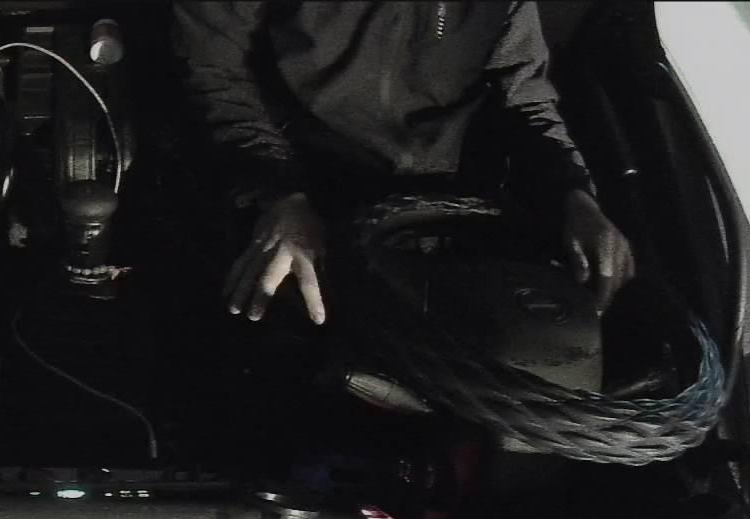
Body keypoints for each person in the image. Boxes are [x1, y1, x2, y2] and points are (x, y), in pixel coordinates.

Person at [174, 1, 636, 326]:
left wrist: (574, 195)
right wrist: (280, 193)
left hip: (447, 209)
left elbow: (524, 98)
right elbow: (213, 72)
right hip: (300, 183)